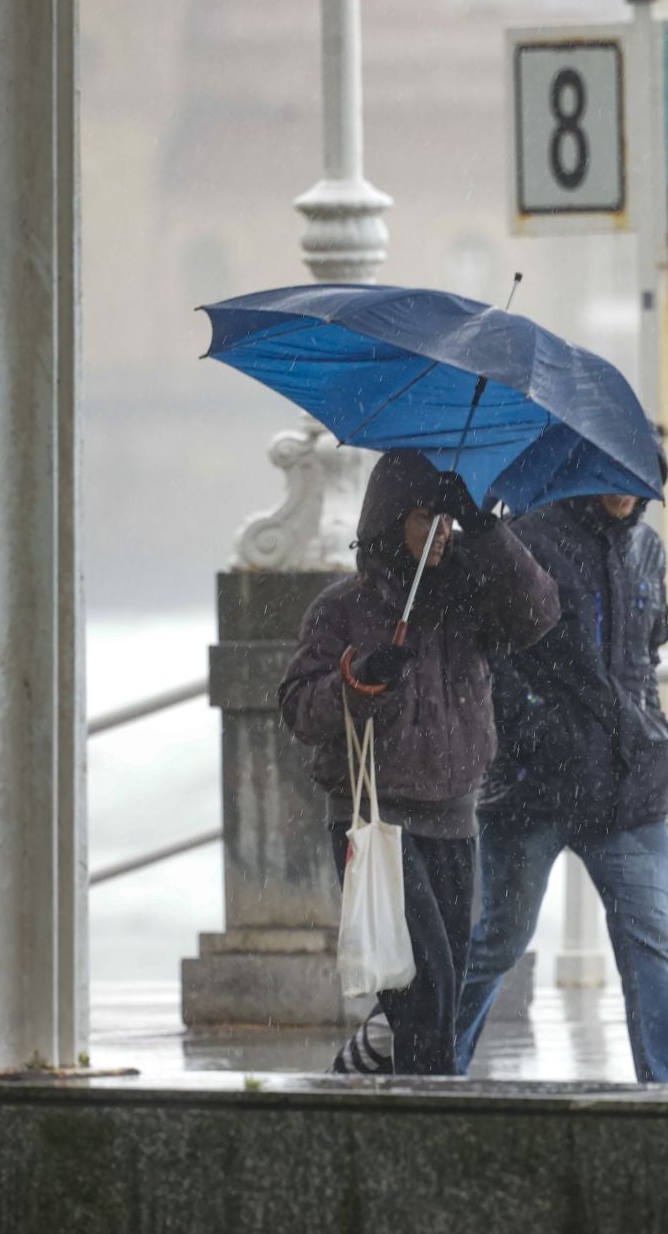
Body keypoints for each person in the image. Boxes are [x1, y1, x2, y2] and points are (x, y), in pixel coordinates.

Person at [279, 450, 559, 1076]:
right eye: (424, 516)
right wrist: (359, 682)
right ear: (389, 517)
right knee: (423, 980)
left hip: (455, 816)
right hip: (378, 819)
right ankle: (428, 1117)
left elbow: (539, 613)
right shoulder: (342, 606)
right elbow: (300, 708)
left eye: (447, 518)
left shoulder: (470, 593)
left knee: (443, 989)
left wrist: (486, 529)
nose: (439, 532)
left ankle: (407, 1096)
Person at [453, 488, 668, 1082]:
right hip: (533, 792)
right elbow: (488, 656)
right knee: (500, 941)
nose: (623, 486)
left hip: (630, 788)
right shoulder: (527, 540)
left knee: (649, 947)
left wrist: (650, 730)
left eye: (637, 474)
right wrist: (535, 729)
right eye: (609, 471)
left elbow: (645, 657)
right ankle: (433, 1068)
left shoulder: (648, 548)